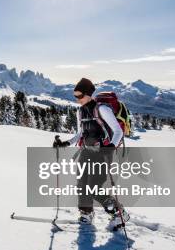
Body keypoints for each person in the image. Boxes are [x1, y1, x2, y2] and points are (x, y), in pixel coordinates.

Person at [53, 77, 129, 229]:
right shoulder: (81, 111)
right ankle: (86, 214)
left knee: (94, 187)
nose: (77, 99)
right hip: (85, 152)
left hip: (102, 153)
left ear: (89, 94)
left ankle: (120, 214)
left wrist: (111, 147)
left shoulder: (101, 109)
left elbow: (118, 131)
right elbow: (81, 133)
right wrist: (65, 143)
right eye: (75, 96)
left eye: (79, 96)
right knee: (81, 184)